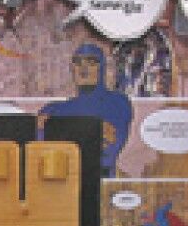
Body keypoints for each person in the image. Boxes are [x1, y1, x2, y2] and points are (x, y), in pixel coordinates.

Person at [38, 43, 132, 177]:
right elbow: (41, 153)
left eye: (91, 62)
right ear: (72, 69)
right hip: (60, 182)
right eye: (77, 62)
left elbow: (106, 154)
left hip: (100, 182)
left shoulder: (117, 103)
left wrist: (56, 130)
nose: (83, 68)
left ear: (102, 67)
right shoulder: (52, 109)